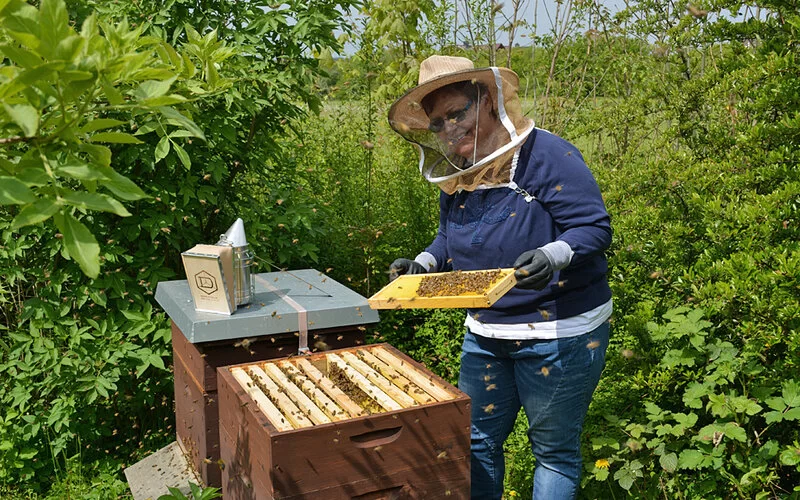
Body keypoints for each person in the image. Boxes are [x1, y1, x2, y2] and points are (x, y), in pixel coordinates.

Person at [387, 55, 612, 500]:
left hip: (557, 330)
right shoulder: (460, 171)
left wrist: (552, 255)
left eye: (458, 113)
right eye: (437, 123)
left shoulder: (546, 154)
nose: (450, 129)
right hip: (485, 330)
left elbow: (594, 227)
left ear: (488, 101)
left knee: (552, 451)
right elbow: (447, 239)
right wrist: (423, 265)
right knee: (477, 442)